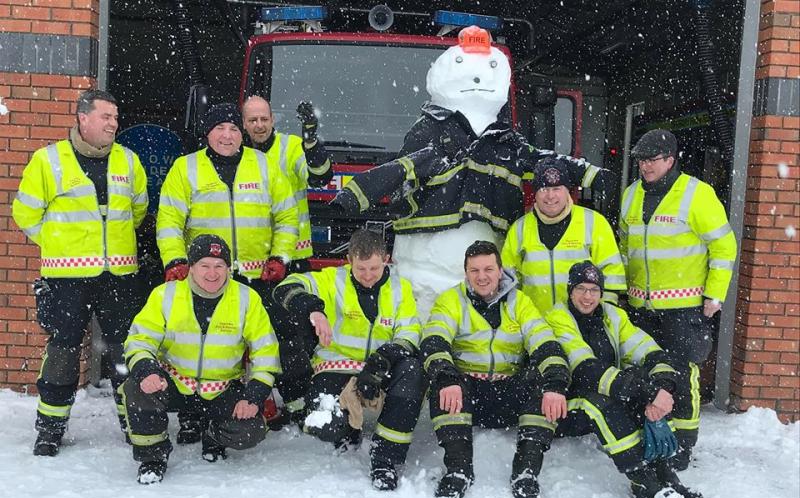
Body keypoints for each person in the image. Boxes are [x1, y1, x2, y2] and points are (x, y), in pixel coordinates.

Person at [330, 27, 608, 315]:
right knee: (426, 313)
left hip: (485, 264)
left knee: (483, 320)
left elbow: (543, 162)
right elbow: (400, 168)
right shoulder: (430, 132)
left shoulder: (505, 141)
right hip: (428, 258)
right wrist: (355, 195)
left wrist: (589, 174)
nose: (478, 80)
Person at [12, 89, 149, 456]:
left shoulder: (129, 160)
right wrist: (58, 243)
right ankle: (50, 428)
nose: (113, 124)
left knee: (127, 351)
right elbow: (25, 213)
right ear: (83, 118)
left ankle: (137, 424)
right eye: (106, 117)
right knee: (63, 351)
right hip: (66, 278)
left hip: (119, 274)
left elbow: (138, 210)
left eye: (115, 117)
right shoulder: (48, 160)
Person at [156, 102, 296, 442]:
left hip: (256, 275)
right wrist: (176, 261)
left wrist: (280, 257)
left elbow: (287, 216)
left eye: (234, 128)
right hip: (204, 277)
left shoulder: (264, 165)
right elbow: (169, 220)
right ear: (208, 133)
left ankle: (248, 404)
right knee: (198, 342)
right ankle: (192, 415)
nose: (227, 135)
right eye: (219, 128)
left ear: (242, 133)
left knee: (254, 343)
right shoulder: (185, 168)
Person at [619, 129, 738, 469]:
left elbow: (724, 246)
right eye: (641, 160)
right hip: (641, 307)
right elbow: (625, 247)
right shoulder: (631, 194)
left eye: (652, 159)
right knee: (646, 374)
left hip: (684, 308)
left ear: (670, 160)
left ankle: (682, 446)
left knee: (681, 376)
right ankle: (651, 435)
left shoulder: (696, 194)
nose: (645, 166)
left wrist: (715, 294)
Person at [120, 235, 280, 484]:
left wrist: (253, 396)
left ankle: (213, 435)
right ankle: (153, 458)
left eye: (219, 266)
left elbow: (266, 351)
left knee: (251, 429)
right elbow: (139, 340)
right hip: (173, 382)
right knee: (136, 388)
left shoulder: (247, 299)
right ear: (191, 267)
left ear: (229, 268)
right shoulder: (165, 295)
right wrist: (147, 370)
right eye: (204, 265)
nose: (212, 273)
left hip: (221, 388)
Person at [420, 241, 570, 498]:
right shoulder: (451, 300)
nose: (482, 276)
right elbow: (433, 341)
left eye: (488, 269)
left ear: (500, 270)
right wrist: (447, 378)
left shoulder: (520, 302)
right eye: (474, 270)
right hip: (467, 396)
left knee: (541, 380)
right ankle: (458, 470)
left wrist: (555, 385)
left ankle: (526, 472)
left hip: (509, 394)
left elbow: (545, 342)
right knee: (443, 381)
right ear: (466, 273)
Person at [273, 229, 423, 491]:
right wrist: (313, 310)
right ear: (349, 260)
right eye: (360, 268)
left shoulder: (401, 288)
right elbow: (284, 288)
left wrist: (381, 361)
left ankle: (385, 459)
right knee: (325, 426)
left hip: (379, 368)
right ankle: (347, 430)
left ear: (386, 259)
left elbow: (410, 333)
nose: (368, 275)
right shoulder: (332, 279)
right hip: (336, 366)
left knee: (413, 370)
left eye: (374, 268)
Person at [545, 261, 703, 498]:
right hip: (565, 403)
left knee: (640, 389)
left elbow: (649, 350)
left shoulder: (613, 315)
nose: (587, 297)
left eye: (594, 290)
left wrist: (661, 388)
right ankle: (641, 480)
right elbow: (586, 370)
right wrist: (648, 392)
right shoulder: (558, 317)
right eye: (581, 289)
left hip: (606, 390)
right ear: (570, 291)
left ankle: (667, 476)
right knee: (604, 404)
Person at [501, 157, 626, 315]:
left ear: (567, 190)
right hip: (534, 324)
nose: (550, 196)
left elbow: (612, 276)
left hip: (580, 324)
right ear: (535, 193)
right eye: (544, 189)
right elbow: (507, 282)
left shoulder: (594, 223)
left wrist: (601, 315)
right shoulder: (519, 229)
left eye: (556, 188)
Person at [242, 95, 333, 273]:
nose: (259, 125)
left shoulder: (291, 146)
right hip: (250, 261)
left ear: (272, 119)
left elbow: (320, 178)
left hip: (292, 258)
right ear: (244, 123)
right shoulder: (236, 153)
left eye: (264, 119)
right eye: (253, 120)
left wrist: (311, 142)